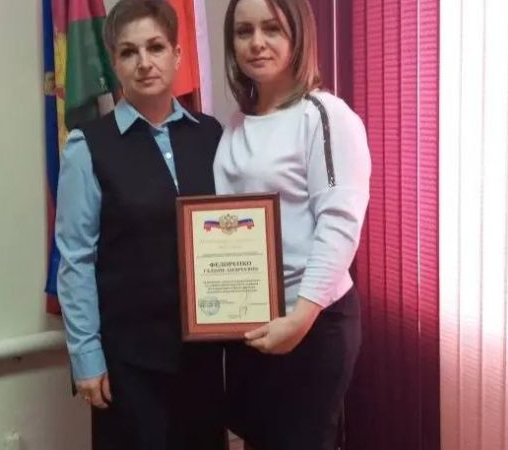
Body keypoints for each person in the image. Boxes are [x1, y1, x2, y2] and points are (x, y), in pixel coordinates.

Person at [55, 1, 225, 449]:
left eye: (156, 47)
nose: (144, 62)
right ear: (114, 63)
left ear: (177, 55)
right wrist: (87, 357)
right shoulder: (88, 146)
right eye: (129, 52)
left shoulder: (211, 135)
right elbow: (76, 260)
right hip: (129, 364)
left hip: (203, 357)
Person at [214, 0, 371, 449]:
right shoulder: (237, 123)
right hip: (253, 318)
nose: (257, 43)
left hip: (312, 322)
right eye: (244, 31)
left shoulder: (324, 114)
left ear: (298, 35)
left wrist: (300, 317)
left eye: (272, 29)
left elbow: (340, 221)